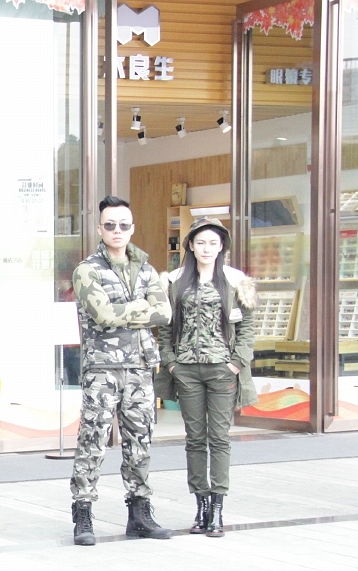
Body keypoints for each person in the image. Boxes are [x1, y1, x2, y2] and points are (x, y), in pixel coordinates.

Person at [70, 196, 174, 546]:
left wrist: (125, 310)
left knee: (140, 441)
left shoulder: (146, 269)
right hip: (102, 368)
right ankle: (83, 513)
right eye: (110, 225)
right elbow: (102, 315)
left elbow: (165, 313)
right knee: (93, 441)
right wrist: (142, 306)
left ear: (132, 229)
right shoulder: (88, 270)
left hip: (140, 366)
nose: (117, 230)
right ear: (99, 228)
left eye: (123, 225)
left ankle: (140, 513)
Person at [156, 218, 257, 537]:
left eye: (213, 243)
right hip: (186, 369)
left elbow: (247, 327)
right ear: (190, 245)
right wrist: (171, 363)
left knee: (220, 438)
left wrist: (236, 363)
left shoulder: (235, 280)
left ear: (222, 246)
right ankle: (200, 505)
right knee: (195, 439)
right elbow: (165, 328)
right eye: (200, 242)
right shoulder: (174, 281)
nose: (207, 248)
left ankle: (217, 508)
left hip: (222, 369)